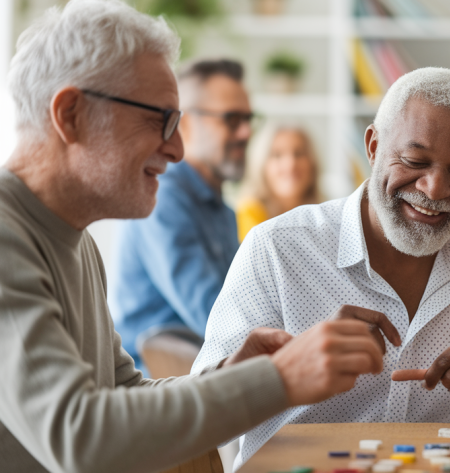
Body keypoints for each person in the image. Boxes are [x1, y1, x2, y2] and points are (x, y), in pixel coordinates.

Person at [0, 2, 386, 472]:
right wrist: (279, 378)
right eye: (159, 119)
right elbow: (81, 437)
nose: (179, 149)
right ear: (71, 114)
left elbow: (123, 394)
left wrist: (232, 375)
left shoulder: (75, 240)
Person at [192, 67, 450, 469]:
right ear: (372, 146)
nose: (435, 189)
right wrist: (287, 368)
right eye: (414, 160)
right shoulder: (278, 250)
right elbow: (201, 422)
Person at [109, 58, 254, 373]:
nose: (246, 131)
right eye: (231, 119)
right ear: (185, 124)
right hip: (155, 384)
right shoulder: (163, 197)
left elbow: (246, 302)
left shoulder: (221, 210)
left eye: (248, 118)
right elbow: (220, 319)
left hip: (205, 374)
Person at [237, 123, 320, 241]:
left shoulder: (323, 213)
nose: (290, 164)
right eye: (277, 155)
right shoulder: (249, 212)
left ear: (312, 163)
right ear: (261, 165)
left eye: (298, 153)